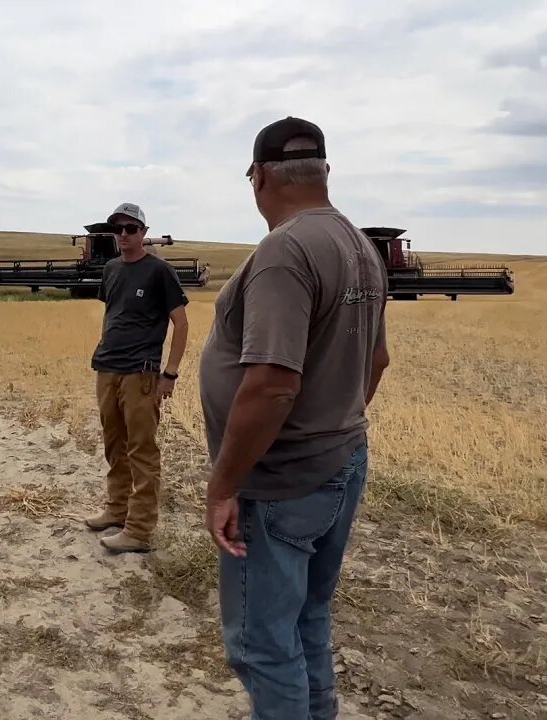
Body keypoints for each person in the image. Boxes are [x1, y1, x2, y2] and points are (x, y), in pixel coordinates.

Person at [199, 116, 391, 720]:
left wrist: (226, 483)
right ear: (324, 171)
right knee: (308, 616)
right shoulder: (358, 244)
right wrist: (333, 427)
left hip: (281, 480)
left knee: (262, 645)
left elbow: (273, 384)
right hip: (340, 461)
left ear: (259, 177)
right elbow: (377, 360)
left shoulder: (285, 250)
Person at [85, 201, 190, 554]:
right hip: (108, 368)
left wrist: (169, 375)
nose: (124, 235)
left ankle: (139, 529)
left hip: (141, 373)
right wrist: (102, 350)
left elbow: (181, 323)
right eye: (118, 229)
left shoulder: (159, 271)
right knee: (114, 444)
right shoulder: (112, 269)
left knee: (141, 450)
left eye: (131, 229)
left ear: (144, 233)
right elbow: (110, 314)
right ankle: (116, 510)